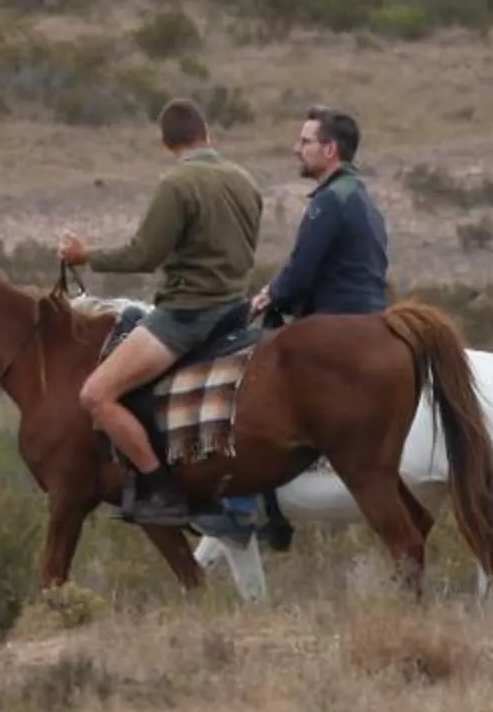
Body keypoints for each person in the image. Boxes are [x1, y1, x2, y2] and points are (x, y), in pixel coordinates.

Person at [56, 99, 265, 526]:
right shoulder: (245, 180)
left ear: (165, 142)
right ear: (207, 131)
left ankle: (159, 487)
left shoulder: (176, 184)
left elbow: (144, 254)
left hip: (187, 315)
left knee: (95, 395)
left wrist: (85, 256)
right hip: (234, 310)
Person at [253, 105, 389, 323]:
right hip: (373, 319)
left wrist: (270, 294)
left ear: (329, 150)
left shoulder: (330, 200)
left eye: (306, 142)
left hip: (335, 322)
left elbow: (299, 271)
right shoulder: (364, 200)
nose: (296, 149)